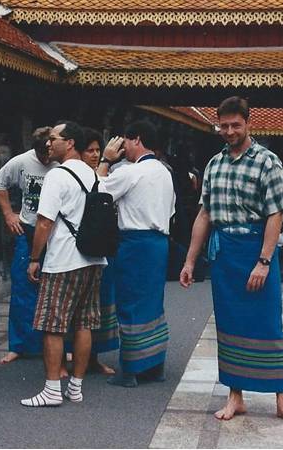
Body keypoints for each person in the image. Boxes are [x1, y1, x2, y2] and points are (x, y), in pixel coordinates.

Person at [179, 96, 283, 426]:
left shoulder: (268, 162)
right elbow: (205, 214)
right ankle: (235, 396)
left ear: (248, 123)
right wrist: (190, 261)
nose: (229, 131)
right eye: (223, 126)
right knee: (229, 325)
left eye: (235, 125)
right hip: (225, 254)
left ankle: (282, 399)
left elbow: (275, 214)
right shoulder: (214, 164)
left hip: (256, 250)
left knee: (268, 324)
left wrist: (264, 261)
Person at [21, 121, 107, 407]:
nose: (48, 143)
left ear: (69, 143)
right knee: (84, 324)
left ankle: (52, 390)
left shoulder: (57, 175)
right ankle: (76, 387)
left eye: (54, 138)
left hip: (63, 260)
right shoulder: (93, 174)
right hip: (93, 258)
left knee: (52, 325)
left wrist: (35, 258)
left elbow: (44, 222)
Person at [97, 120, 176, 387]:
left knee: (129, 303)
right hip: (159, 243)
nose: (124, 148)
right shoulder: (164, 172)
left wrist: (106, 161)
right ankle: (154, 365)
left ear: (137, 140)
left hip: (134, 243)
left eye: (126, 142)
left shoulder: (131, 172)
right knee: (152, 304)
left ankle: (130, 369)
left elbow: (98, 193)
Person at [0, 127, 57, 365]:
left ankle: (62, 345)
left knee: (57, 289)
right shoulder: (22, 162)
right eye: (42, 154)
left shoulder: (62, 164)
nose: (46, 159)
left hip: (56, 234)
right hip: (28, 229)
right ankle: (19, 345)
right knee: (22, 286)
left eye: (49, 153)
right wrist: (9, 214)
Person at [64, 128, 118, 375]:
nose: (95, 155)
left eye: (98, 150)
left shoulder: (102, 175)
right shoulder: (69, 176)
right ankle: (65, 360)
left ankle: (92, 359)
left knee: (94, 309)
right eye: (90, 151)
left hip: (97, 249)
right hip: (72, 250)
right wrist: (105, 162)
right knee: (70, 308)